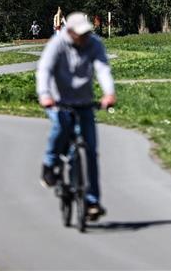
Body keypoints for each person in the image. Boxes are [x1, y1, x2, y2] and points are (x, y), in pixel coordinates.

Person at [36, 12, 116, 221]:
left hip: (84, 102)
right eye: (80, 34)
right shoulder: (57, 44)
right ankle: (49, 163)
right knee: (61, 127)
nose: (84, 37)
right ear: (70, 32)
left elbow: (102, 69)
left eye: (86, 33)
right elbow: (45, 70)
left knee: (90, 151)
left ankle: (92, 202)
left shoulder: (94, 44)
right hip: (58, 101)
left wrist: (109, 93)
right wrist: (45, 95)